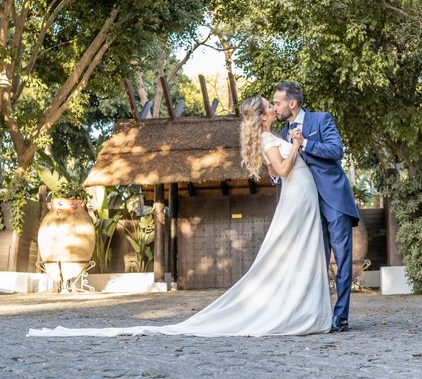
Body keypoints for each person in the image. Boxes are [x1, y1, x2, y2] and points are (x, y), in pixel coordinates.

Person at [27, 95, 331, 338]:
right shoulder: (268, 140)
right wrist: (296, 145)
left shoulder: (270, 137)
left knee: (302, 248)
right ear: (262, 116)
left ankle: (304, 307)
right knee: (295, 249)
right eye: (269, 106)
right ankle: (298, 311)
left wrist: (293, 144)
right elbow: (284, 170)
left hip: (302, 195)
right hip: (297, 195)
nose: (274, 108)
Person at [273, 82, 359, 333]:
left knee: (342, 262)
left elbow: (336, 150)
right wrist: (273, 172)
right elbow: (284, 169)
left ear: (292, 103)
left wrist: (306, 143)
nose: (275, 107)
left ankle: (340, 316)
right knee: (313, 262)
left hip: (334, 200)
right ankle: (316, 315)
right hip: (306, 206)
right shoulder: (280, 134)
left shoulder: (321, 120)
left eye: (278, 102)